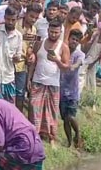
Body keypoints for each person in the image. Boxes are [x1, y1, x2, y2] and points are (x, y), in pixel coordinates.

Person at [28, 19, 70, 147]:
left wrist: (57, 60)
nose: (53, 34)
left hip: (53, 83)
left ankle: (51, 138)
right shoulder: (39, 44)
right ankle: (34, 136)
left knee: (51, 111)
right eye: (51, 32)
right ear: (48, 31)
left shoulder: (63, 47)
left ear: (60, 32)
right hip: (37, 81)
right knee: (34, 108)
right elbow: (33, 62)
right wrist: (29, 79)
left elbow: (66, 68)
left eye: (56, 32)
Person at [0, 6, 23, 103]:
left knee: (9, 108)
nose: (10, 22)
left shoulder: (18, 36)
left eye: (13, 20)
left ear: (17, 19)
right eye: (8, 19)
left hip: (8, 77)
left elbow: (18, 56)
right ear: (4, 18)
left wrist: (16, 59)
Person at [14, 3, 41, 112]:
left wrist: (31, 55)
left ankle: (18, 116)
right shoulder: (15, 24)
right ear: (25, 14)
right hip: (11, 62)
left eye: (36, 17)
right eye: (31, 16)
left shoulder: (34, 29)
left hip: (23, 65)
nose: (33, 19)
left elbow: (30, 46)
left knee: (20, 92)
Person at [60, 30, 84, 148]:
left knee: (71, 116)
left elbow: (79, 63)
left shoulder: (79, 54)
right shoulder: (62, 50)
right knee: (65, 118)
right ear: (68, 39)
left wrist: (73, 66)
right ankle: (69, 143)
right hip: (61, 91)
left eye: (76, 40)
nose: (74, 41)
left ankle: (78, 134)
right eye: (72, 39)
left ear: (78, 42)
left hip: (73, 91)